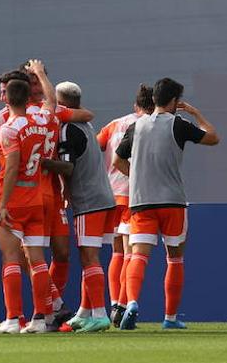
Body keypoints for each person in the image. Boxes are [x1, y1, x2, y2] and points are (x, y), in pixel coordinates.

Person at [113, 77, 219, 330]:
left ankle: (132, 303)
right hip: (172, 201)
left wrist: (138, 176)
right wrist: (196, 113)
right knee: (175, 259)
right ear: (174, 101)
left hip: (141, 201)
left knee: (137, 256)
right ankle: (170, 318)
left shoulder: (136, 127)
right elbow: (213, 137)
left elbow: (118, 161)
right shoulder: (179, 124)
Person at [0, 74, 59, 334]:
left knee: (10, 258)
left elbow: (11, 168)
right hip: (37, 195)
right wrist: (41, 75)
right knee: (38, 260)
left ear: (7, 98)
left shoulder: (9, 128)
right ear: (29, 96)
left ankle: (12, 318)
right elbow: (51, 102)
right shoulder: (42, 120)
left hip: (16, 197)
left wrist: (4, 203)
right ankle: (40, 318)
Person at [57, 81, 116, 333]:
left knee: (89, 257)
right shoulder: (86, 124)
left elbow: (68, 167)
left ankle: (101, 315)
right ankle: (84, 312)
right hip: (103, 198)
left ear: (62, 104)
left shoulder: (68, 129)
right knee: (88, 257)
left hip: (89, 201)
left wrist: (43, 163)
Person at [97, 84, 155, 327]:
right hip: (135, 196)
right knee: (132, 254)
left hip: (111, 194)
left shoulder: (114, 124)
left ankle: (114, 304)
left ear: (135, 105)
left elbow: (95, 146)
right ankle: (121, 307)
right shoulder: (152, 126)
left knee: (117, 253)